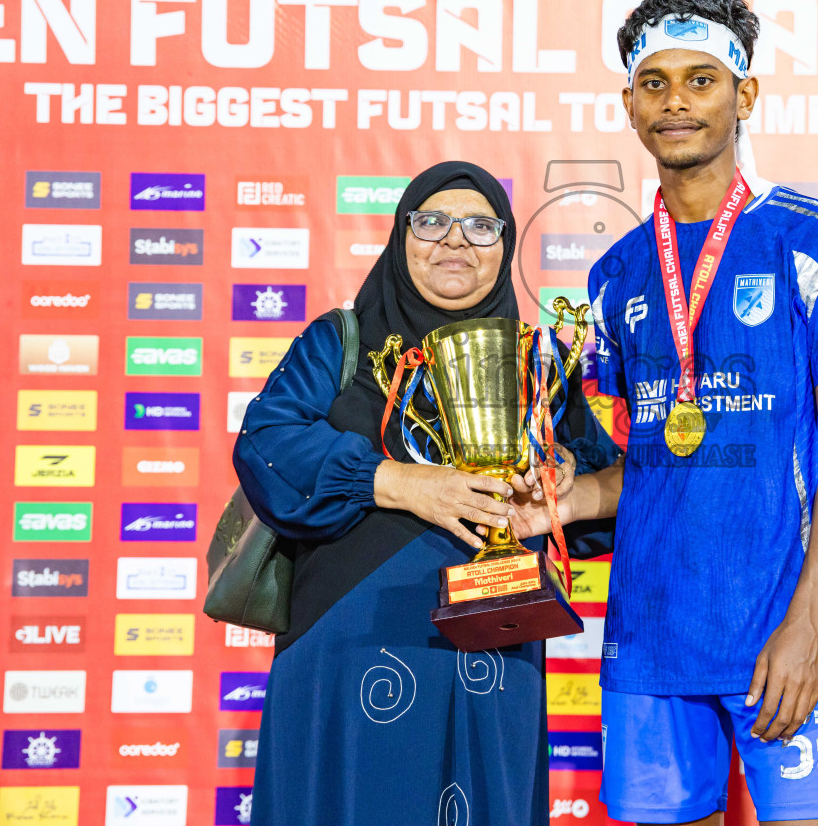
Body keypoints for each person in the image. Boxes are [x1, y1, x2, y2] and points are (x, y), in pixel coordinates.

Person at [584, 0, 818, 825]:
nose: (676, 101)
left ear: (744, 94)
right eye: (653, 84)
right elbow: (644, 463)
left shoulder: (815, 237)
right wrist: (560, 496)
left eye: (700, 80)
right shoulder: (613, 274)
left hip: (778, 631)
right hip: (649, 638)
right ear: (628, 105)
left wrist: (807, 623)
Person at [233, 160, 621, 826]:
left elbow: (603, 483)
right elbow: (266, 445)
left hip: (492, 645)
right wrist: (401, 482)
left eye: (479, 225)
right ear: (400, 235)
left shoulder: (541, 359)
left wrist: (561, 486)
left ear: (503, 247)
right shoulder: (341, 341)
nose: (455, 242)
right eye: (431, 222)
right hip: (350, 641)